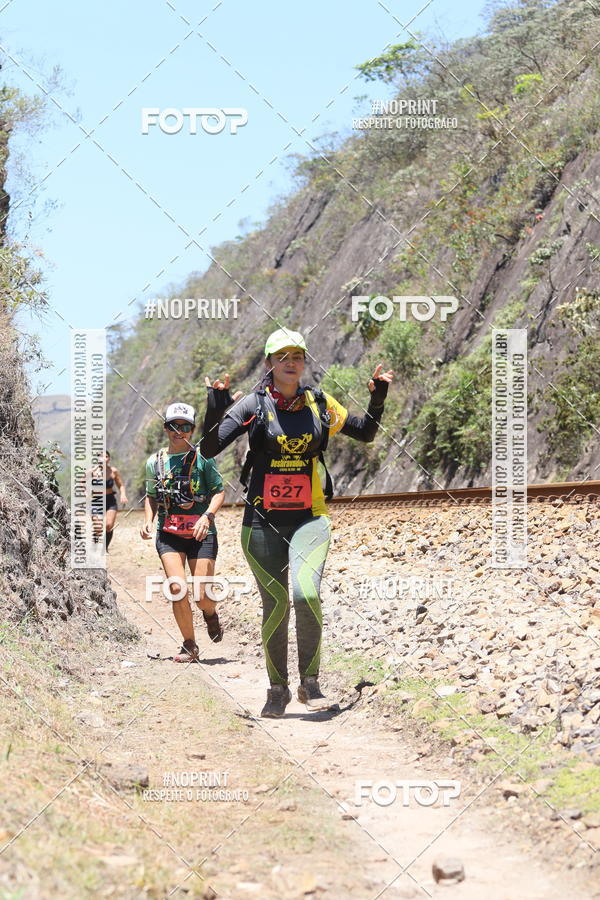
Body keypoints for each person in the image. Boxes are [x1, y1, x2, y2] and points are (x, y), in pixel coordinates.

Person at [200, 328, 393, 717]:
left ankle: (310, 683)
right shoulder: (252, 405)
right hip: (262, 523)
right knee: (275, 606)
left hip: (310, 518)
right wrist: (216, 407)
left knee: (306, 594)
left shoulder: (319, 403)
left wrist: (377, 398)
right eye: (282, 355)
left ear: (304, 362)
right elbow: (206, 449)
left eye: (298, 355)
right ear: (269, 363)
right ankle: (277, 689)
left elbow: (366, 433)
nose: (291, 362)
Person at [141, 402, 225, 661]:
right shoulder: (154, 462)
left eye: (186, 426)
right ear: (166, 428)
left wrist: (207, 516)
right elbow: (151, 496)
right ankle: (190, 645)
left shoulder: (204, 458)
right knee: (176, 588)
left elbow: (219, 492)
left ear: (192, 429)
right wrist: (148, 519)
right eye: (174, 426)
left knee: (202, 596)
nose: (180, 431)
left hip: (201, 534)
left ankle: (209, 613)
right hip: (169, 534)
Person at [91, 450, 127, 551]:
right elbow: (81, 483)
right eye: (101, 456)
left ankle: (105, 548)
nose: (104, 458)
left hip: (110, 500)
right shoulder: (92, 471)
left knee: (108, 525)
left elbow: (121, 485)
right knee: (98, 528)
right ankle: (94, 546)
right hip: (96, 501)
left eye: (106, 456)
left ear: (109, 458)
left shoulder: (113, 471)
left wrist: (123, 495)